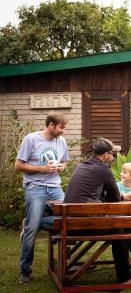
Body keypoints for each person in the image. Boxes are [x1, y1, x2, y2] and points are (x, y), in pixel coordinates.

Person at [63, 138, 131, 285]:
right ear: (106, 155)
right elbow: (114, 199)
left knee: (119, 224)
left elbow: (101, 196)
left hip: (70, 221)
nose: (114, 157)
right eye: (113, 154)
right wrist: (121, 197)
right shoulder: (104, 170)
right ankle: (126, 277)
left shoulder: (81, 166)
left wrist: (123, 196)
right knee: (119, 230)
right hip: (83, 224)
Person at [15, 111, 69, 284]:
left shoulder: (61, 141)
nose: (63, 131)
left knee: (69, 218)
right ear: (51, 125)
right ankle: (25, 271)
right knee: (31, 231)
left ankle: (67, 265)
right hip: (35, 187)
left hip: (55, 187)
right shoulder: (31, 139)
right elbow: (18, 165)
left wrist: (61, 167)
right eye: (61, 127)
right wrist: (42, 169)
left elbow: (65, 161)